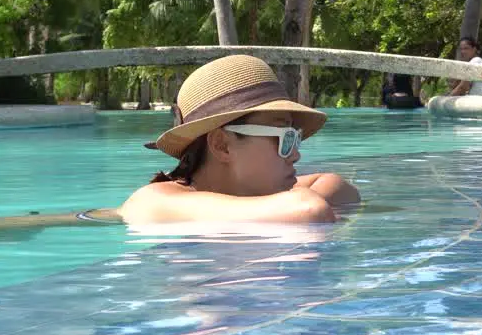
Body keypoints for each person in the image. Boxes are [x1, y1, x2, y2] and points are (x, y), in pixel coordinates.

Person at [118, 55, 360, 224]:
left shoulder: (244, 193)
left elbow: (336, 186)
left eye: (295, 138)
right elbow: (310, 210)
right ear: (222, 145)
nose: (296, 154)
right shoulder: (154, 202)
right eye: (285, 137)